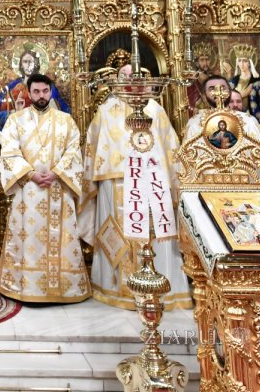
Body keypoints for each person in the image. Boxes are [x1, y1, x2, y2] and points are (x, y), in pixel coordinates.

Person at [79, 65, 189, 310]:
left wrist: (173, 182)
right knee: (115, 235)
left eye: (135, 76)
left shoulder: (155, 109)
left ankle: (160, 288)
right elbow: (92, 148)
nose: (130, 81)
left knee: (154, 233)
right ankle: (116, 289)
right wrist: (91, 184)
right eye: (125, 77)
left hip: (152, 182)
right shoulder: (106, 110)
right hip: (115, 182)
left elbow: (170, 148)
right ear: (118, 80)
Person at [0, 73, 90, 303]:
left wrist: (56, 173)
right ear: (28, 93)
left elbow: (73, 150)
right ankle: (25, 287)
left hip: (59, 189)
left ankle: (63, 290)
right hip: (28, 190)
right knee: (27, 240)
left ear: (50, 92)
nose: (41, 96)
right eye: (36, 92)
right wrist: (31, 174)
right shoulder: (15, 120)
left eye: (45, 91)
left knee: (62, 238)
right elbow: (9, 152)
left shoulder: (66, 121)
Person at [183, 75, 260, 146]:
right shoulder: (194, 123)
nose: (218, 91)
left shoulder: (249, 121)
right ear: (204, 96)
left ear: (230, 93)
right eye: (212, 88)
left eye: (223, 87)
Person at [0, 50, 69, 131]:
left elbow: (62, 111)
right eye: (25, 62)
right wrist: (15, 112)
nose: (28, 65)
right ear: (21, 65)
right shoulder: (12, 87)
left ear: (36, 64)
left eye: (31, 62)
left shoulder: (47, 86)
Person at [229, 49, 260, 126]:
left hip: (251, 117)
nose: (242, 64)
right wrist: (243, 94)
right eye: (239, 61)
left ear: (249, 63)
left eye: (245, 61)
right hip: (235, 116)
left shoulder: (257, 80)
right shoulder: (234, 80)